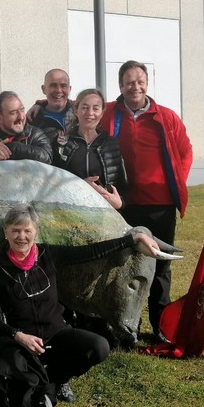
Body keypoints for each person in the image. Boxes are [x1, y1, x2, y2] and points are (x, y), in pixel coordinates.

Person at [0, 204, 160, 407]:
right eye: (15, 230)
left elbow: (91, 252)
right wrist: (19, 336)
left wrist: (132, 239)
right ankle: (40, 382)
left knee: (99, 346)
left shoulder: (48, 254)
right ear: (5, 232)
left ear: (36, 232)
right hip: (21, 343)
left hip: (57, 333)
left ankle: (57, 380)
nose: (21, 236)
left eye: (27, 230)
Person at [99, 60, 193, 344]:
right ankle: (127, 326)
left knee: (161, 266)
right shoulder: (109, 114)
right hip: (124, 205)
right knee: (124, 266)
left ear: (147, 83)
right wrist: (42, 102)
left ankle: (161, 325)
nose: (135, 86)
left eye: (140, 80)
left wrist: (174, 182)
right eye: (129, 81)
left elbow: (185, 153)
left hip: (159, 206)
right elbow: (79, 108)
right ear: (120, 86)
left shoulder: (166, 117)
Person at [53, 88, 129, 348]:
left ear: (102, 112)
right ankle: (67, 323)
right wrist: (78, 187)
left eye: (96, 107)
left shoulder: (110, 144)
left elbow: (122, 186)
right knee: (70, 270)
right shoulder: (62, 143)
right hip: (69, 219)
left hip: (103, 221)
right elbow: (51, 181)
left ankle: (99, 324)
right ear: (76, 110)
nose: (90, 112)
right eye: (84, 107)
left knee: (98, 271)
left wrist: (119, 203)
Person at [29, 69, 75, 143]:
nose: (58, 90)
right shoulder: (32, 120)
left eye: (63, 86)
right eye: (53, 85)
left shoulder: (81, 115)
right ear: (43, 89)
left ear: (69, 89)